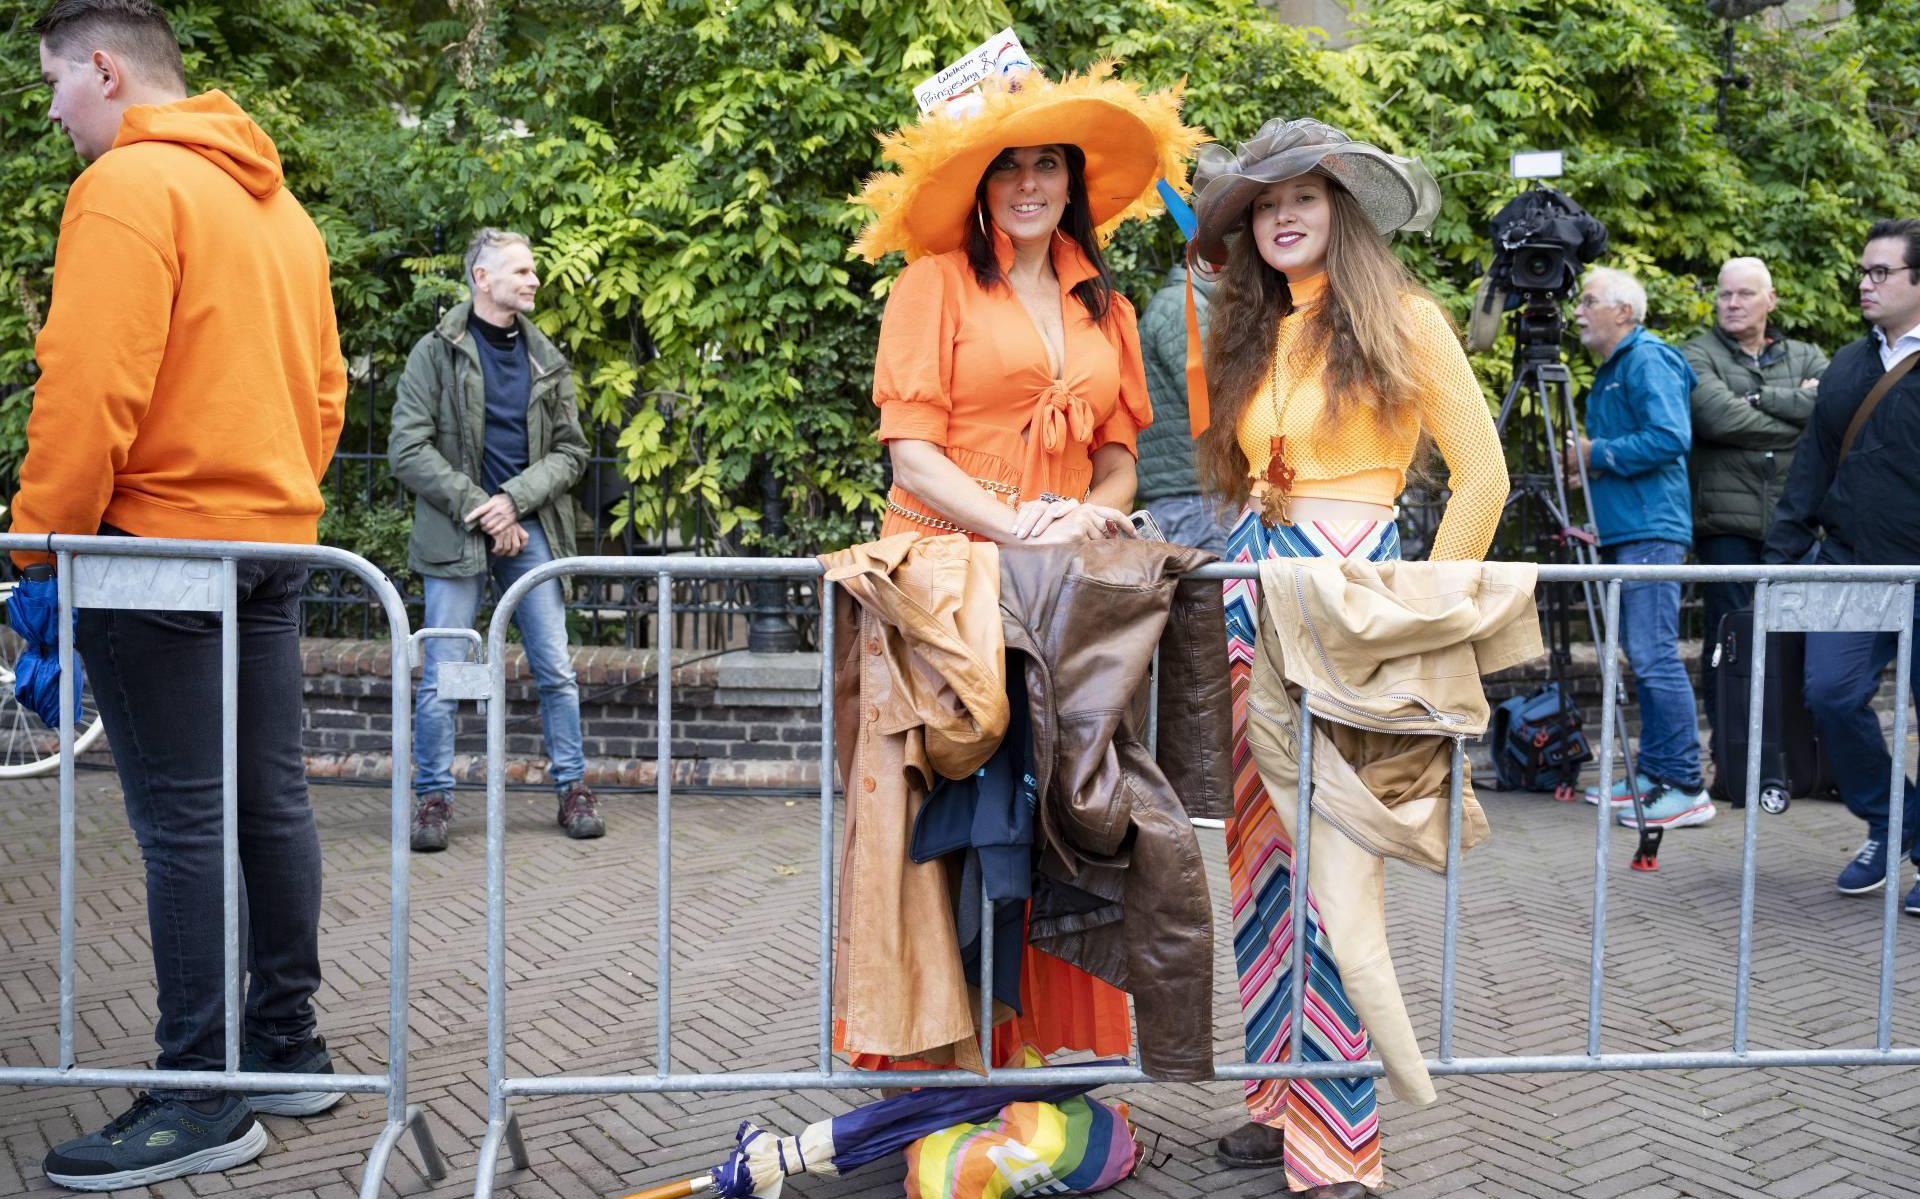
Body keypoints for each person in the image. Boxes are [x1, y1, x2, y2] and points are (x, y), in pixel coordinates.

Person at [11, 0, 347, 1188]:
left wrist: (35, 548)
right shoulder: (280, 206)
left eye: (54, 80)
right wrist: (274, 496)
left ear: (105, 70)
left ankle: (198, 1092)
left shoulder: (126, 189)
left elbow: (87, 383)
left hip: (156, 546)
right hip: (273, 541)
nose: (50, 109)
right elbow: (323, 392)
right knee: (269, 803)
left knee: (184, 822)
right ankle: (286, 1043)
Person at [847, 62, 1198, 1068]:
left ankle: (1046, 1053)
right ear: (982, 183)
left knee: (1060, 813)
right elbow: (911, 452)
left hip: (1055, 587)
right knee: (951, 820)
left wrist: (1087, 515)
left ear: (1073, 184)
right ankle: (943, 1063)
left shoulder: (1107, 307)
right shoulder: (934, 284)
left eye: (1051, 164)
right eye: (1013, 166)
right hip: (944, 579)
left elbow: (1121, 455)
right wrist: (1016, 524)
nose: (1034, 183)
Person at [1187, 117, 1507, 1198]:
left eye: (1304, 197)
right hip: (1252, 604)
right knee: (1259, 871)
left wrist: (1416, 602)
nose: (1280, 214)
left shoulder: (1405, 318)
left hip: (1346, 611)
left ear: (1343, 211)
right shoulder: (1254, 334)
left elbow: (1484, 479)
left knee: (1332, 878)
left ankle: (1336, 1137)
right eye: (1262, 203)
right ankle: (1281, 1096)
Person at [388, 228, 598, 851]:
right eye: (522, 271)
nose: (534, 280)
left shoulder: (546, 359)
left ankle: (573, 786)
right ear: (482, 278)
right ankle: (434, 797)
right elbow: (407, 448)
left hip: (528, 526)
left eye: (533, 272)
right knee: (443, 672)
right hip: (456, 530)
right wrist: (482, 507)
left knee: (556, 667)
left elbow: (572, 452)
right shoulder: (436, 352)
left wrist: (514, 502)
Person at [1765, 218, 1920, 907]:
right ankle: (1896, 822)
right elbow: (1812, 465)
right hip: (1854, 564)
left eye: (1881, 272)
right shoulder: (1851, 365)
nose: (1864, 282)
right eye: (1863, 270)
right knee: (1829, 691)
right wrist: (1779, 553)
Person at [1569, 266, 1711, 830]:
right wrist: (1591, 466)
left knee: (1653, 655)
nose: (1578, 310)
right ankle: (1654, 774)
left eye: (1590, 300)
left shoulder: (1648, 358)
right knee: (1644, 653)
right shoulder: (1615, 368)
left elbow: (1671, 436)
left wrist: (1594, 453)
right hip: (1631, 528)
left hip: (1652, 529)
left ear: (1624, 312)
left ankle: (1684, 783)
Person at [1681, 257, 1826, 800]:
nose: (1733, 303)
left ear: (1771, 300)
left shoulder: (1808, 355)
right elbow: (1716, 418)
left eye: (1745, 294)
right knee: (1732, 645)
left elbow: (1828, 411)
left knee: (1803, 642)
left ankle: (1800, 761)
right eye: (1725, 295)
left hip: (1795, 523)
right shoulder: (1698, 353)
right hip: (1728, 524)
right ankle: (1733, 762)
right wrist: (1796, 414)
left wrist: (1762, 399)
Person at [1137, 262, 1231, 552]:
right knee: (1213, 596)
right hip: (1194, 502)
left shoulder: (1189, 302)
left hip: (1184, 498)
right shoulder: (1185, 307)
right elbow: (1216, 401)